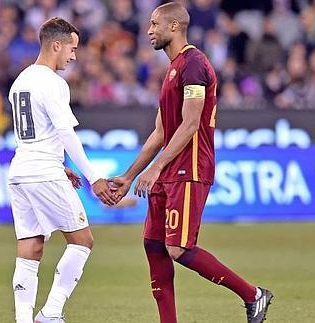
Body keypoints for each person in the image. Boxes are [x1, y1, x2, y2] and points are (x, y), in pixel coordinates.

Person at [110, 3, 273, 323]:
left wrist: (155, 168)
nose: (149, 30)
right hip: (169, 170)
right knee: (154, 245)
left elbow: (191, 123)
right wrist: (130, 176)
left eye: (155, 24)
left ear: (174, 27)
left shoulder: (194, 64)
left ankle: (253, 295)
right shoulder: (171, 69)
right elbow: (159, 132)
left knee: (179, 248)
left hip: (190, 168)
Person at [7, 17, 117, 323]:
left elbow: (35, 133)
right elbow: (66, 133)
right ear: (56, 45)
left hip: (20, 172)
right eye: (72, 48)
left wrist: (60, 165)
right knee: (83, 241)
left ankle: (23, 319)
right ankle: (52, 312)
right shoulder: (53, 83)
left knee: (30, 246)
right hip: (43, 172)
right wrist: (94, 178)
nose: (74, 55)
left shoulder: (21, 81)